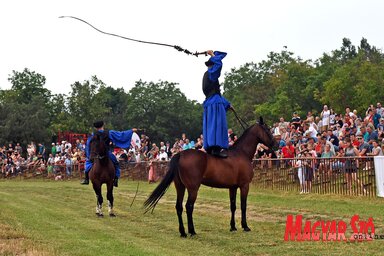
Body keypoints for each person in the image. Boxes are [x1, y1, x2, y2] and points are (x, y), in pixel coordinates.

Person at [80, 121, 137, 187]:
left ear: (95, 127)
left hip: (95, 154)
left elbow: (88, 145)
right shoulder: (109, 133)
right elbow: (121, 135)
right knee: (116, 164)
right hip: (107, 153)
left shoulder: (93, 135)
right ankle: (115, 179)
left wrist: (88, 155)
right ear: (103, 125)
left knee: (88, 163)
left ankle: (86, 179)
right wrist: (131, 131)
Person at [202, 50, 232, 158]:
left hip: (210, 102)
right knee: (218, 125)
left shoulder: (208, 76)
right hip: (214, 104)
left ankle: (211, 148)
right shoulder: (211, 74)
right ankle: (216, 149)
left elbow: (216, 94)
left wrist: (228, 104)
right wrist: (212, 55)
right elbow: (219, 65)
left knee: (211, 126)